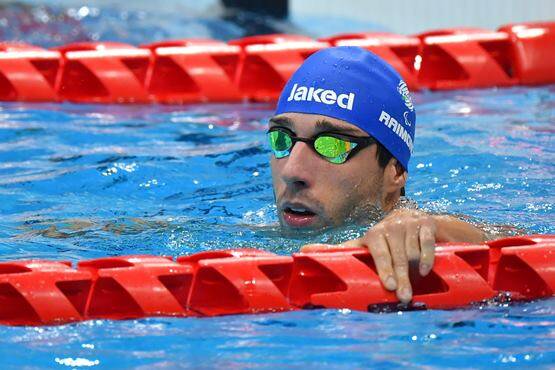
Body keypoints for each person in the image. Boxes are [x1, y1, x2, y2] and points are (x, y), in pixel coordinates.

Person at [268, 46, 487, 304]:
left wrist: (433, 229)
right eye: (282, 138)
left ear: (394, 171)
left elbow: (515, 240)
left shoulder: (416, 228)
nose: (292, 172)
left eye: (332, 145)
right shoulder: (246, 236)